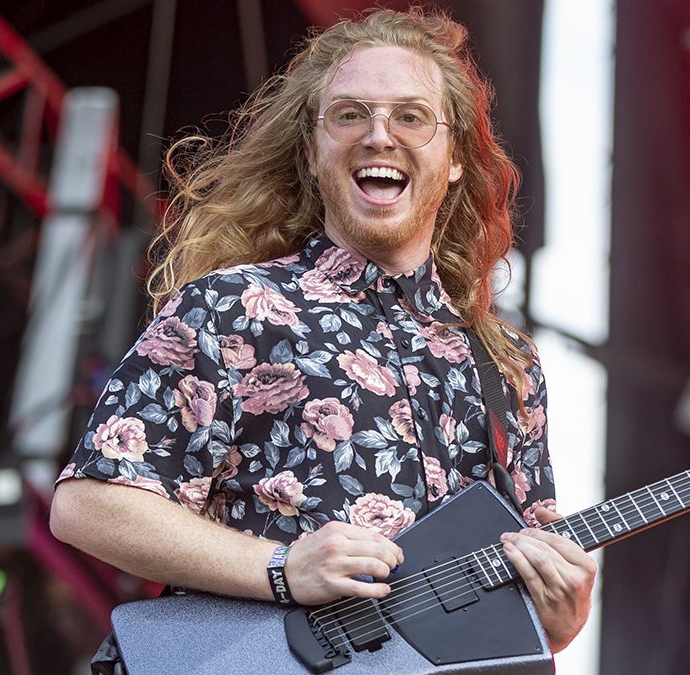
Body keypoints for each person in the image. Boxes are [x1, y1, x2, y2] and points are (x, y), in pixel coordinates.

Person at [49, 7, 595, 654]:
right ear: (311, 151)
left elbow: (528, 602)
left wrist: (564, 614)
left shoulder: (508, 366)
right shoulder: (234, 308)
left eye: (412, 116)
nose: (379, 134)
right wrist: (280, 568)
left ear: (453, 159)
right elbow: (89, 504)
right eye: (349, 114)